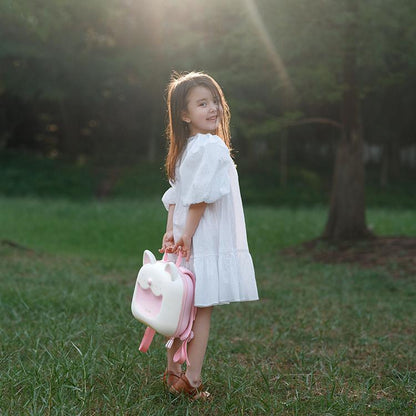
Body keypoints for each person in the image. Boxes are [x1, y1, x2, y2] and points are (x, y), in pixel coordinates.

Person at [159, 71, 258, 399]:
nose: (213, 108)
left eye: (214, 101)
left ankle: (173, 371)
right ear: (185, 115)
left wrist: (171, 232)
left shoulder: (188, 147)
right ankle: (193, 379)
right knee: (200, 309)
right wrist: (185, 233)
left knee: (180, 305)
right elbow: (196, 196)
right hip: (200, 239)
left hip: (186, 238)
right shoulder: (211, 146)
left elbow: (176, 196)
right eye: (202, 104)